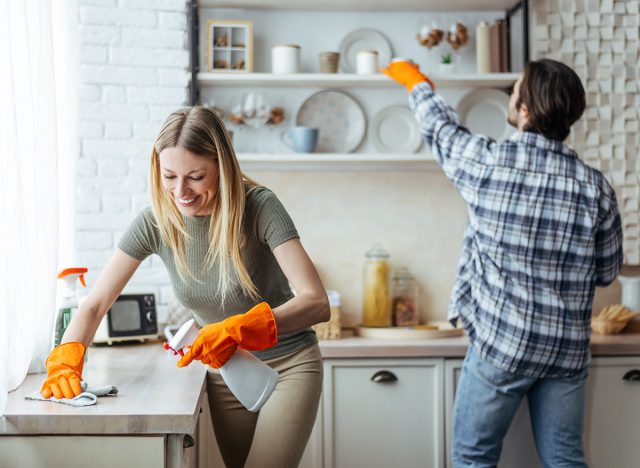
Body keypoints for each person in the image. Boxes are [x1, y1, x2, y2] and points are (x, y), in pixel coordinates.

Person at [39, 106, 330, 468]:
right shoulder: (155, 222)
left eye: (196, 176)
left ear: (222, 168)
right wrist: (66, 360)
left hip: (289, 365)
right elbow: (96, 304)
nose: (181, 191)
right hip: (224, 372)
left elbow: (316, 302)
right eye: (170, 176)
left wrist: (238, 328)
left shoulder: (260, 207)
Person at [383, 59, 623, 467]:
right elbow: (606, 272)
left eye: (515, 90)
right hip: (565, 352)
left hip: (501, 347)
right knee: (565, 460)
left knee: (474, 459)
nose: (511, 96)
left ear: (525, 110)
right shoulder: (595, 187)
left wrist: (416, 84)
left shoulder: (487, 163)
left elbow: (442, 130)